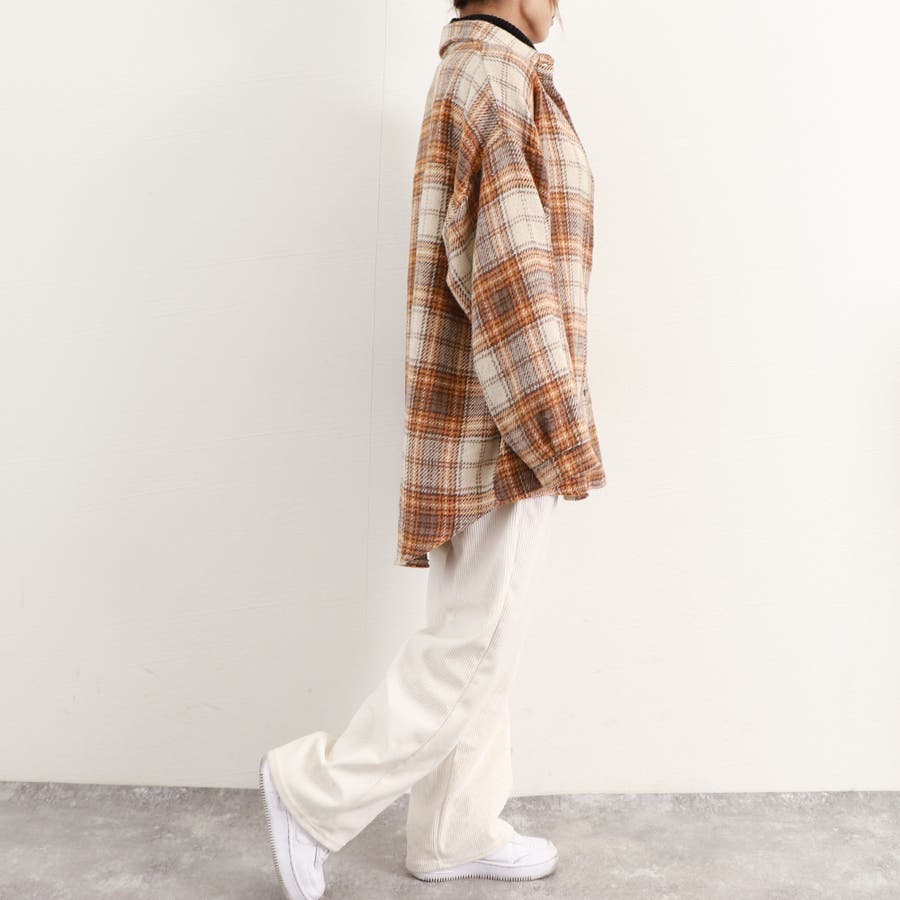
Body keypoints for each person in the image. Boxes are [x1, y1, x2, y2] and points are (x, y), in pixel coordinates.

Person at [259, 2, 606, 897]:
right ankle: (313, 793)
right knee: (471, 649)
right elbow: (506, 274)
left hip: (494, 415)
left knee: (487, 637)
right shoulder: (492, 79)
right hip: (500, 427)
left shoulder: (494, 73)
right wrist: (556, 430)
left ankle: (456, 831)